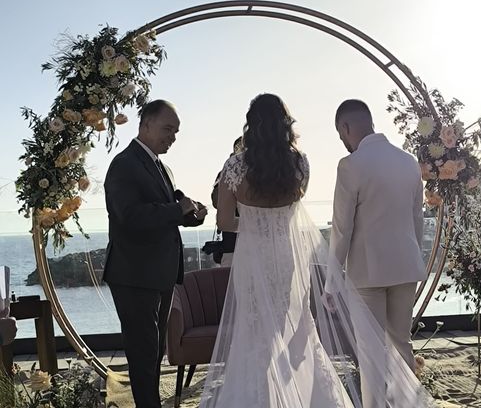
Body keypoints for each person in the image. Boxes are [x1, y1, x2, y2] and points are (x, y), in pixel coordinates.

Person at [200, 94, 434, 407]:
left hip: (255, 258)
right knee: (387, 340)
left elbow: (226, 221)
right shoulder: (300, 164)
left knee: (254, 332)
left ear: (250, 125)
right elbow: (415, 217)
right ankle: (407, 403)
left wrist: (257, 227)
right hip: (291, 259)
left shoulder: (235, 166)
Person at [103, 99, 207, 408]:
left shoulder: (163, 167)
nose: (172, 137)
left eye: (176, 132)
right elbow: (130, 216)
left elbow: (165, 212)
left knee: (155, 350)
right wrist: (177, 209)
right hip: (133, 274)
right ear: (145, 124)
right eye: (167, 129)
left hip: (159, 274)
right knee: (143, 352)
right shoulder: (124, 165)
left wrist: (191, 214)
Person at [328, 99, 428, 408]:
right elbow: (417, 220)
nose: (343, 142)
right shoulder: (408, 161)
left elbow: (342, 229)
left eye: (340, 135)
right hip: (406, 265)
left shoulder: (351, 165)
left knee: (371, 353)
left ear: (346, 128)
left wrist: (331, 280)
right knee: (401, 344)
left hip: (367, 273)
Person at [205, 136, 243, 266]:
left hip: (247, 241)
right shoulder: (228, 172)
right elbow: (217, 201)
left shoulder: (259, 172)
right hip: (231, 245)